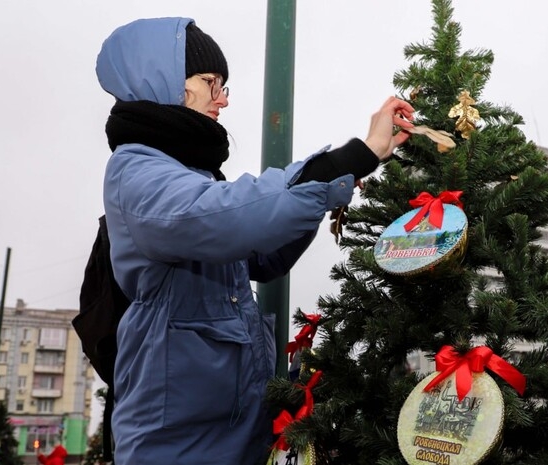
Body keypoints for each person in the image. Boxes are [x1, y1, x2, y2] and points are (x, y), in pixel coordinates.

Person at [95, 16, 414, 465]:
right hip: (177, 441)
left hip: (237, 429)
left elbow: (263, 255)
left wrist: (323, 189)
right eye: (211, 82)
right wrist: (344, 162)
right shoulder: (136, 169)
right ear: (167, 81)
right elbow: (225, 218)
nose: (222, 99)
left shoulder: (193, 173)